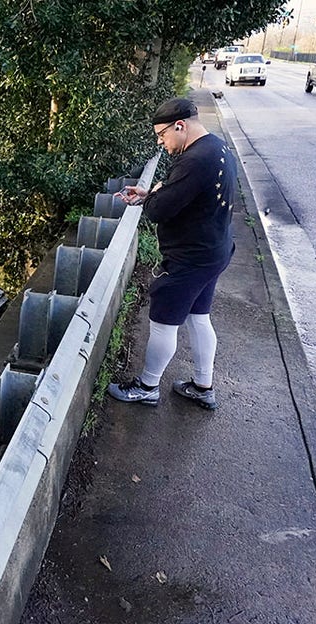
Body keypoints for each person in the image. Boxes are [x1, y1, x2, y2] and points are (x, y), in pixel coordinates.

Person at [107, 98, 237, 410]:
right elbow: (187, 191)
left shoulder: (193, 160)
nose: (161, 143)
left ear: (180, 126)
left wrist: (149, 200)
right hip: (214, 251)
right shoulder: (216, 147)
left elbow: (159, 211)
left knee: (163, 322)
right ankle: (203, 387)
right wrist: (149, 191)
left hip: (190, 260)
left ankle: (148, 387)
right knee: (198, 317)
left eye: (162, 135)